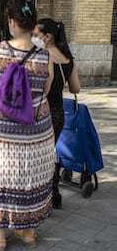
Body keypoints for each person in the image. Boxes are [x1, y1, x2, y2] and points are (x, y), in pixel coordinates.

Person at [0, 0, 55, 251]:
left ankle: (0, 237)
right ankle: (28, 235)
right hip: (36, 129)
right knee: (30, 177)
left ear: (12, 22)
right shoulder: (46, 55)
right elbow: (46, 90)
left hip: (1, 130)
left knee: (1, 177)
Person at [33, 18, 81, 208]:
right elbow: (76, 88)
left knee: (40, 158)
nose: (34, 38)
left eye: (36, 35)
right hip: (59, 114)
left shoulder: (47, 56)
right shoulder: (68, 58)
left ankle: (47, 195)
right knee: (49, 154)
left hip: (44, 113)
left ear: (48, 36)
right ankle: (54, 195)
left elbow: (45, 88)